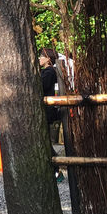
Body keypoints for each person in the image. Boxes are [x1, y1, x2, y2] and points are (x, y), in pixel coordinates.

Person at [39, 48, 64, 182]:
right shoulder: (47, 72)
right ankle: (54, 170)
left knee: (45, 143)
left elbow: (40, 87)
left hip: (46, 110)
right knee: (45, 142)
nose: (40, 59)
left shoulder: (48, 73)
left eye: (41, 57)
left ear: (48, 59)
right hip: (47, 109)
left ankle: (56, 170)